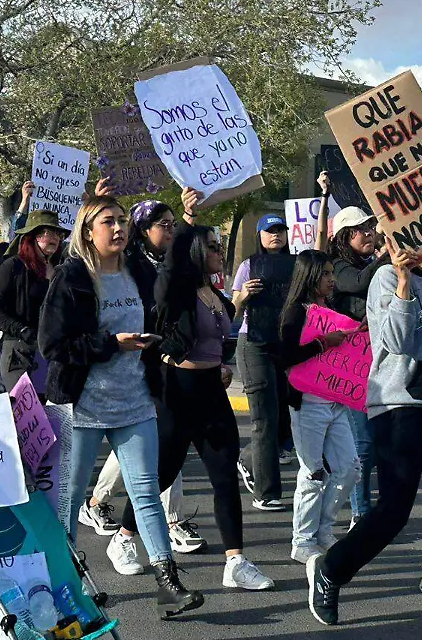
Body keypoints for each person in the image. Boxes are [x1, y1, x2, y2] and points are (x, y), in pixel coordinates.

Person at [307, 237, 422, 640]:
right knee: (394, 511)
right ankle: (331, 568)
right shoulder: (385, 277)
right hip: (400, 405)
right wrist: (404, 284)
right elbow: (395, 341)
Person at [38, 195, 203, 618]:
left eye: (122, 222)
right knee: (69, 497)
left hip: (134, 401)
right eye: (108, 221)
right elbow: (52, 345)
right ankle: (64, 584)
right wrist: (111, 344)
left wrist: (159, 342)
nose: (118, 229)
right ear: (88, 230)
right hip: (80, 404)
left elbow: (160, 316)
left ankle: (169, 582)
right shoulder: (73, 275)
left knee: (146, 491)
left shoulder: (137, 272)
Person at [77, 192, 208, 570]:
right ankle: (152, 519)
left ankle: (107, 507)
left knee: (152, 457)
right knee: (160, 449)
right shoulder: (123, 265)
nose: (169, 231)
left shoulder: (164, 265)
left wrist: (188, 215)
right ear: (143, 229)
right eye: (162, 225)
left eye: (172, 225)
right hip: (110, 382)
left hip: (157, 369)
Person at [155, 216, 275, 590]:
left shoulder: (214, 292)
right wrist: (188, 221)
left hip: (211, 389)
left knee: (224, 477)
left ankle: (235, 562)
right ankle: (125, 535)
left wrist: (220, 364)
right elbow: (171, 271)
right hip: (178, 390)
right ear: (193, 251)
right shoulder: (176, 288)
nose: (219, 251)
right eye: (212, 245)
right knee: (162, 472)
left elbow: (219, 337)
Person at [277, 249, 357, 564]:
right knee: (312, 473)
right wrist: (322, 343)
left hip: (336, 400)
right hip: (307, 402)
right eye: (325, 274)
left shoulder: (330, 309)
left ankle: (323, 530)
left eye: (331, 273)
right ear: (310, 276)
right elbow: (285, 357)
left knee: (350, 467)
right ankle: (302, 540)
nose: (331, 280)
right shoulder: (296, 312)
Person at [328, 204, 388, 527]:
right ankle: (360, 513)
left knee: (378, 439)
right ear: (344, 237)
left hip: (378, 360)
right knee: (362, 441)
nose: (370, 234)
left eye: (371, 228)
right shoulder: (337, 267)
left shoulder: (371, 263)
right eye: (363, 230)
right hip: (350, 362)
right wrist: (386, 253)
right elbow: (360, 283)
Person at [232, 214, 296, 510]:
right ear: (259, 235)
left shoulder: (297, 265)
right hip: (254, 343)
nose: (275, 235)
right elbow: (230, 312)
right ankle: (266, 493)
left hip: (284, 345)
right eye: (269, 231)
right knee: (264, 418)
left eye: (280, 230)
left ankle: (247, 459)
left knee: (284, 415)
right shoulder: (249, 266)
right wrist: (243, 295)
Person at [0, 207, 67, 394]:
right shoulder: (13, 266)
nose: (55, 237)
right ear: (33, 237)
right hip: (19, 351)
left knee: (48, 414)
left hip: (52, 352)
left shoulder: (61, 269)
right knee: (23, 414)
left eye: (58, 233)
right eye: (49, 232)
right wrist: (21, 329)